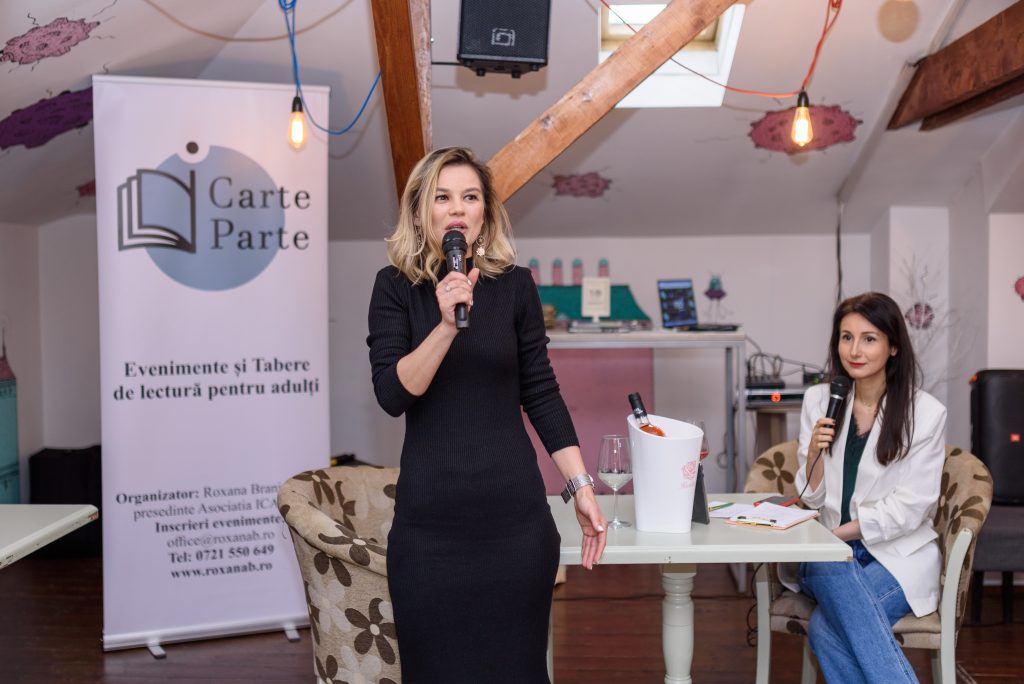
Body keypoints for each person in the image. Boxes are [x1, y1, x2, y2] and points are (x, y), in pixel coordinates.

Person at [366, 146, 607, 683]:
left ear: (484, 212)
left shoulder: (515, 286)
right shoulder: (394, 287)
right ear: (421, 212)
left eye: (470, 197)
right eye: (443, 197)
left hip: (515, 528)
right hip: (429, 532)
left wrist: (581, 487)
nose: (457, 208)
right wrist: (445, 325)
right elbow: (393, 394)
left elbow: (541, 392)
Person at [793, 292, 946, 683]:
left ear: (893, 347)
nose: (854, 350)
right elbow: (809, 496)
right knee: (827, 563)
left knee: (826, 630)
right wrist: (813, 455)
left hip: (896, 554)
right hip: (829, 555)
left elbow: (911, 508)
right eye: (846, 337)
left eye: (869, 338)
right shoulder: (818, 401)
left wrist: (835, 536)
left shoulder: (925, 414)